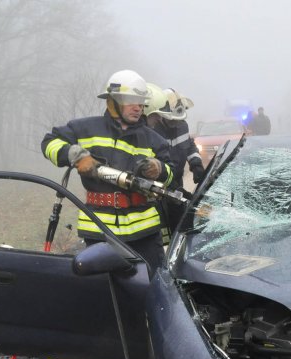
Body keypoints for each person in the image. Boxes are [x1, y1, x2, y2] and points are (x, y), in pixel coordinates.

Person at [41, 69, 174, 271]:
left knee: (154, 286)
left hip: (144, 232)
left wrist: (159, 169)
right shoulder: (85, 128)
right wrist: (75, 155)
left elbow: (172, 173)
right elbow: (49, 143)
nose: (138, 108)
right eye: (131, 101)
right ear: (113, 101)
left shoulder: (153, 139)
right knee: (103, 290)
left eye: (141, 103)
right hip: (98, 229)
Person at [144, 84, 204, 236]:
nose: (175, 123)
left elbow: (189, 147)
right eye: (172, 121)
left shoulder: (182, 126)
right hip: (158, 189)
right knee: (162, 228)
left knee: (181, 223)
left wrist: (196, 165)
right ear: (163, 116)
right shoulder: (151, 131)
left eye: (178, 120)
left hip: (177, 182)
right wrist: (173, 188)